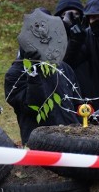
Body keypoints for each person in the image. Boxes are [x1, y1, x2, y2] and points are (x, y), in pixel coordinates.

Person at [5, 8, 82, 144]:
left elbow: (77, 106)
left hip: (72, 143)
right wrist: (33, 72)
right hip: (41, 149)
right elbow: (32, 108)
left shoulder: (63, 68)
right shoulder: (15, 74)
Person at [53, 0, 88, 69]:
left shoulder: (89, 36)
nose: (71, 17)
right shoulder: (52, 40)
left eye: (76, 14)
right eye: (64, 14)